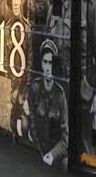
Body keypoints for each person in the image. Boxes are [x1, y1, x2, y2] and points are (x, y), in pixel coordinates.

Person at [46, 0, 96, 155]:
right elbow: (45, 45)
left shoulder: (87, 9)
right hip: (59, 87)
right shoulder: (52, 8)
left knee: (86, 141)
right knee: (59, 138)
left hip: (82, 87)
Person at [26, 39, 68, 168]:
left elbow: (66, 137)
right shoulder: (35, 88)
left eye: (51, 63)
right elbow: (32, 122)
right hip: (39, 148)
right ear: (42, 64)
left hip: (54, 151)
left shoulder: (60, 95)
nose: (48, 67)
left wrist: (52, 155)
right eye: (45, 62)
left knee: (66, 163)